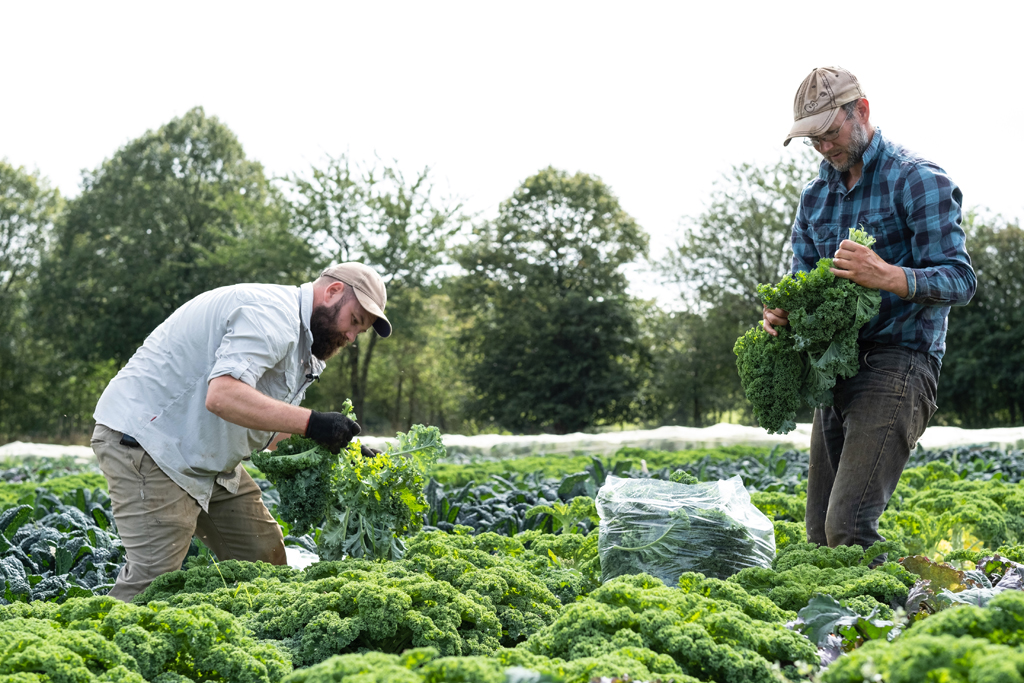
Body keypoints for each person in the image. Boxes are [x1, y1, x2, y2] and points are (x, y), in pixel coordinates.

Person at [764, 66, 976, 555]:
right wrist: (784, 311)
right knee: (819, 535)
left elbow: (961, 279)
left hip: (900, 362)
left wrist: (889, 275)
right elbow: (802, 283)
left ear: (860, 111)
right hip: (833, 370)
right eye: (811, 139)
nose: (822, 147)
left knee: (849, 528)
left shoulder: (917, 179)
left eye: (829, 132)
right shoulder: (815, 198)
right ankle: (840, 631)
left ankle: (892, 626)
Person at [90, 262, 392, 601]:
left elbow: (269, 429)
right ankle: (93, 648)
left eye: (359, 332)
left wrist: (346, 451)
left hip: (206, 457)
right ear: (333, 292)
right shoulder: (271, 316)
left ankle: (258, 643)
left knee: (264, 558)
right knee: (153, 582)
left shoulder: (302, 347)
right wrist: (314, 422)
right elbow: (222, 396)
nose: (351, 337)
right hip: (151, 444)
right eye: (353, 321)